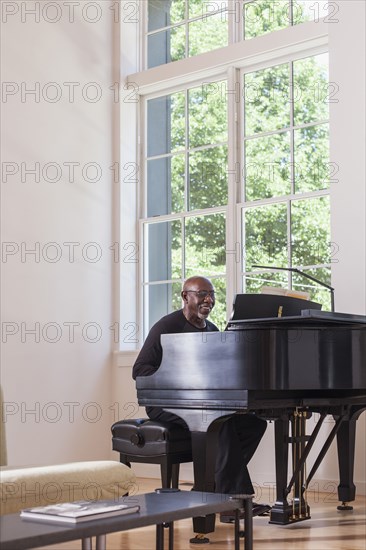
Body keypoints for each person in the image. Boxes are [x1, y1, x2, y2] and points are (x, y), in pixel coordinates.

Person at [132, 276, 270, 521]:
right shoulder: (165, 327)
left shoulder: (213, 330)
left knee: (254, 423)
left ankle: (215, 489)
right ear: (186, 296)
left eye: (212, 294)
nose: (209, 299)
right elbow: (140, 369)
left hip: (204, 403)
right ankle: (233, 501)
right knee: (221, 422)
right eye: (202, 294)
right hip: (166, 403)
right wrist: (180, 380)